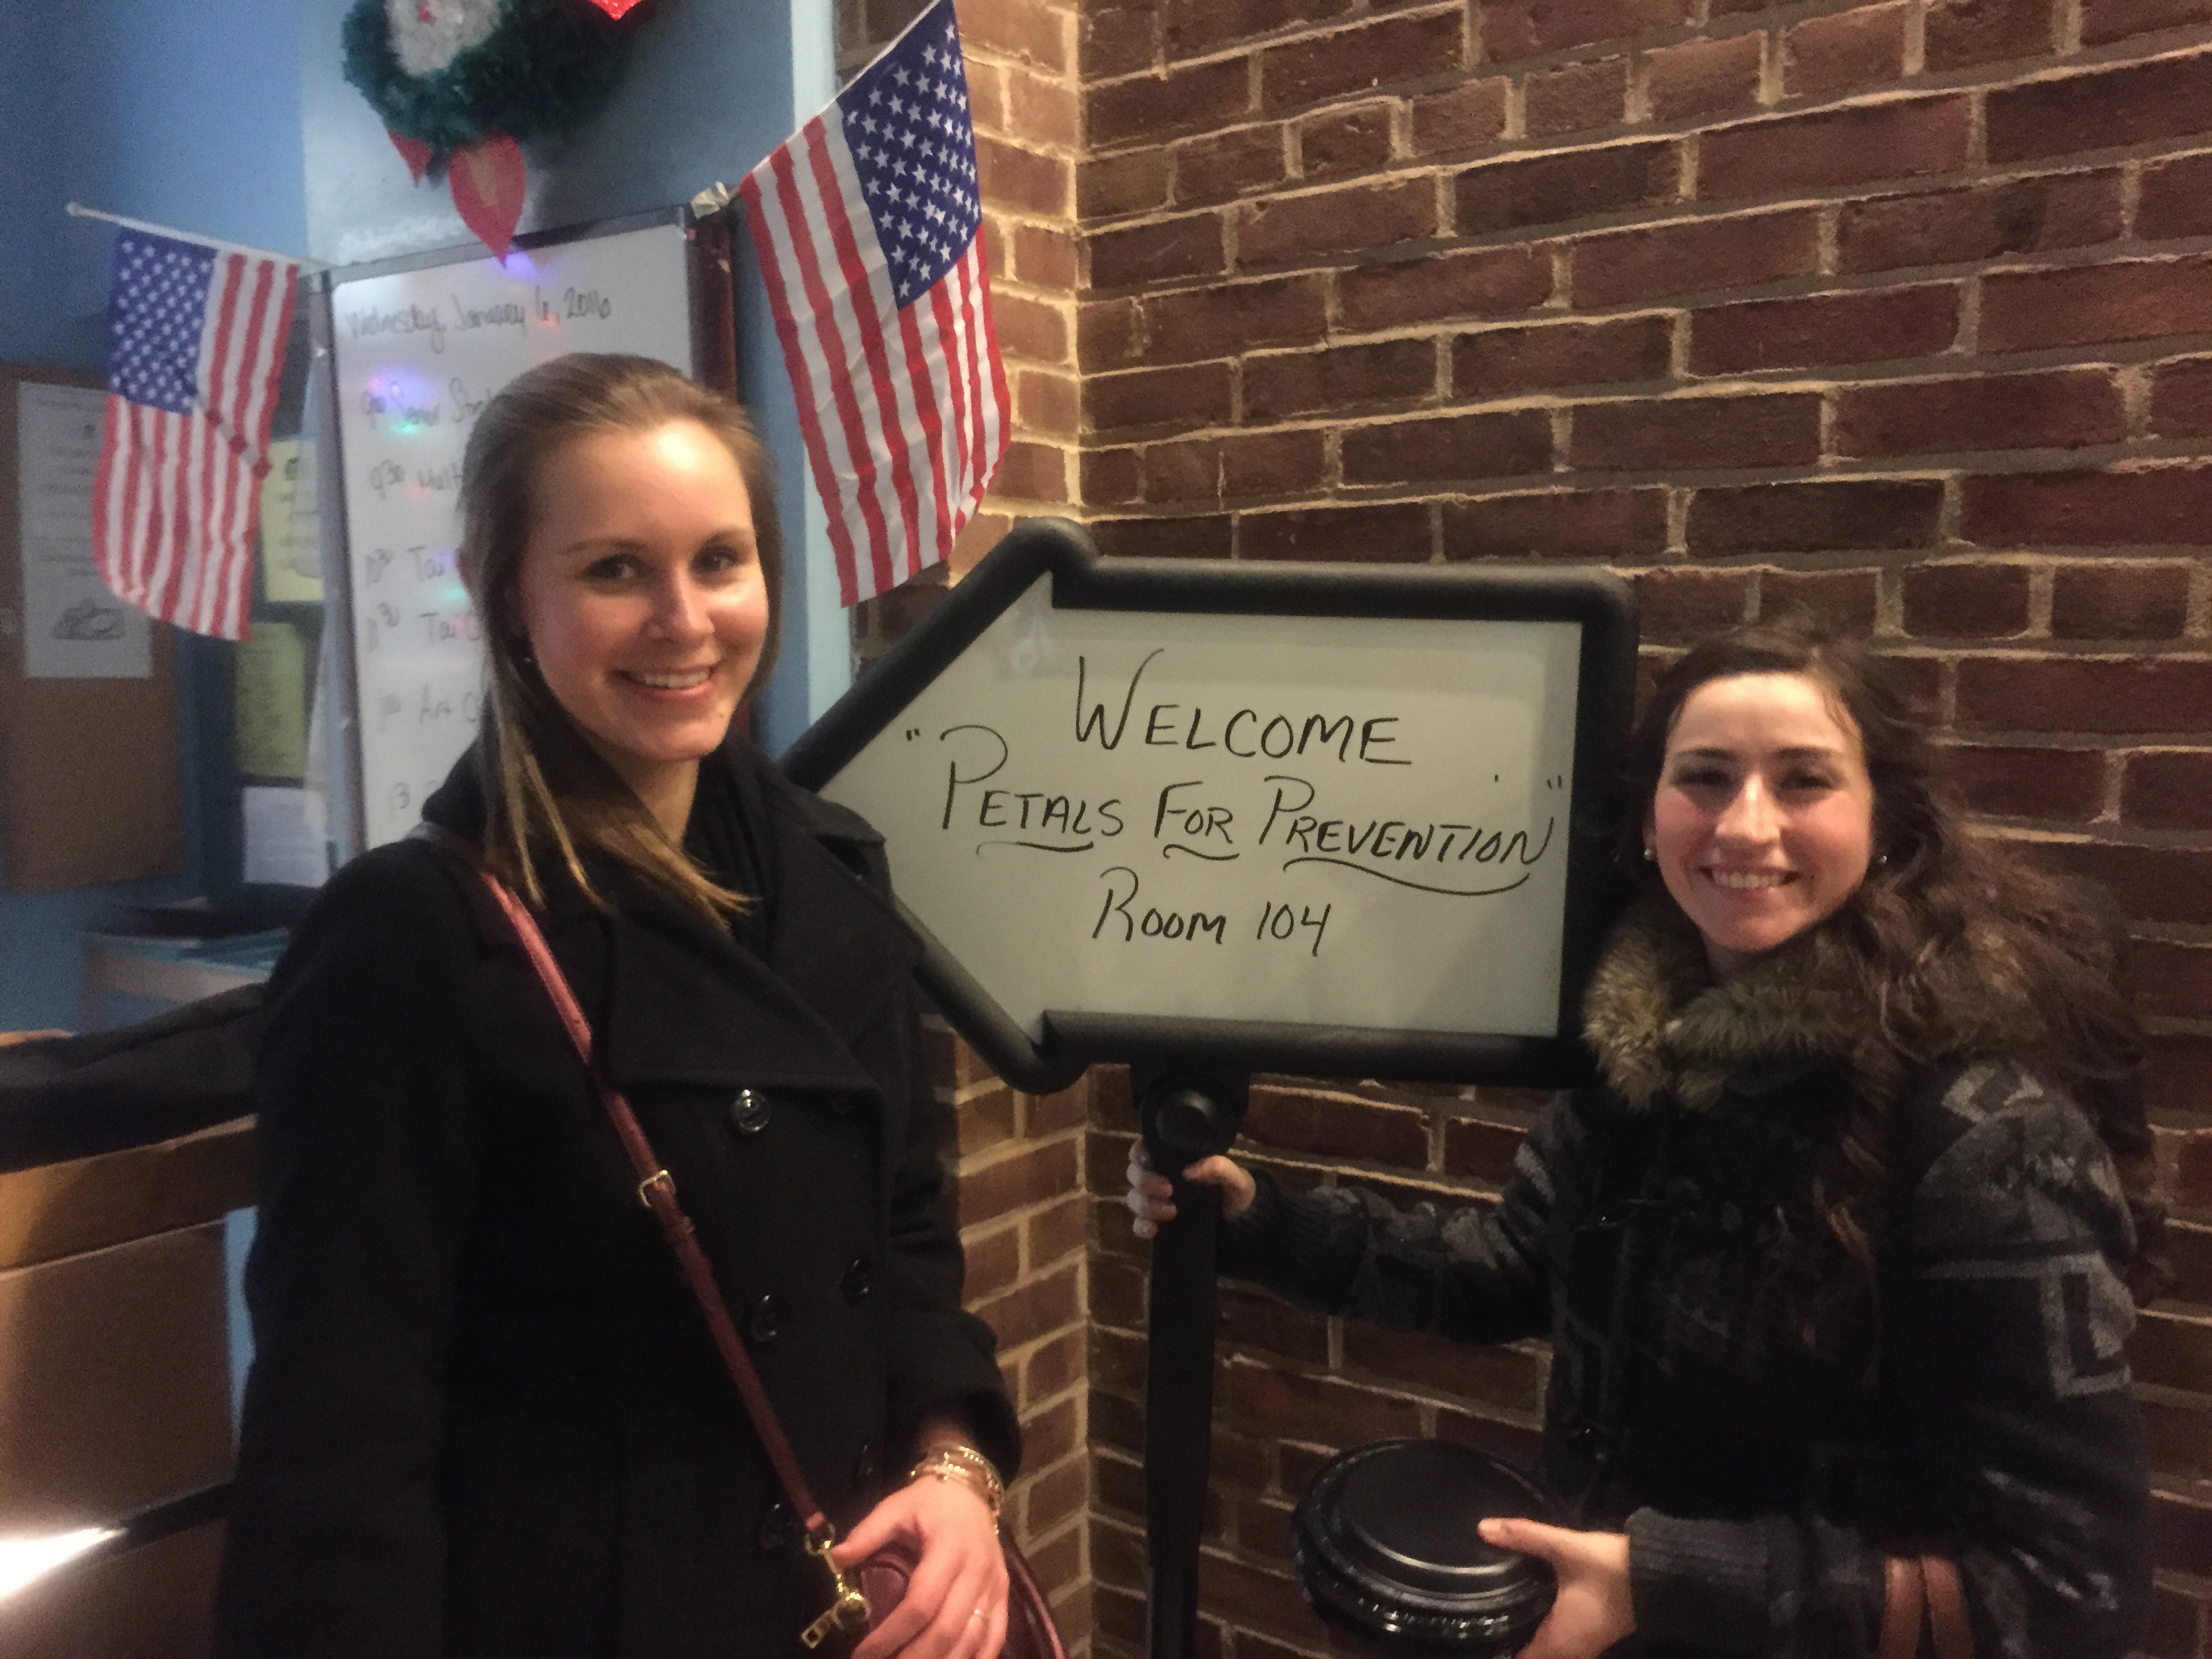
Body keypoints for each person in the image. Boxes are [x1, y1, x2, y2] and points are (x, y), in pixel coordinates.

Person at [1129, 619, 2163, 1659]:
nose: (1746, 827)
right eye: (1705, 778)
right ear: (1645, 818)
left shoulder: (1984, 1133)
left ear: (1886, 822)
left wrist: (1664, 1585)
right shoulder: (1647, 1062)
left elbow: (2073, 1590)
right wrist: (1262, 1222)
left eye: (1804, 781)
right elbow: (1512, 1272)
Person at [218, 354, 1017, 1659]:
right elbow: (339, 1442)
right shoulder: (413, 937)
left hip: (841, 1607)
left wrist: (956, 1469)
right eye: (613, 570)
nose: (686, 619)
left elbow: (909, 1245)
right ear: (512, 604)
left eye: (721, 559)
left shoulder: (835, 873)